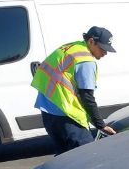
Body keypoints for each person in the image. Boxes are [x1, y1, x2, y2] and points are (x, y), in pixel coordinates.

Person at [31, 26, 117, 154]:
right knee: (88, 157)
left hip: (48, 112)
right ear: (91, 42)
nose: (105, 53)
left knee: (65, 158)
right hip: (68, 116)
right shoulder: (85, 61)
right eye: (103, 48)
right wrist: (101, 125)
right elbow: (87, 98)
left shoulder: (70, 47)